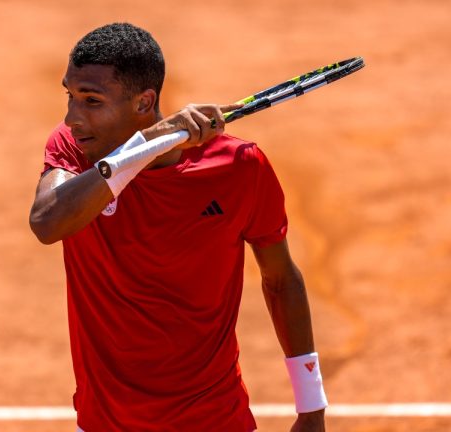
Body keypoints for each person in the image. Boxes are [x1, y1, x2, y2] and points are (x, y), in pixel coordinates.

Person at [30, 22, 327, 432]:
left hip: (215, 420)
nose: (73, 117)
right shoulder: (75, 151)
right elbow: (48, 221)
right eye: (71, 96)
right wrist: (142, 146)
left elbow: (280, 280)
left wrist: (311, 407)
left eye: (92, 101)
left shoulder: (238, 167)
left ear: (144, 102)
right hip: (104, 423)